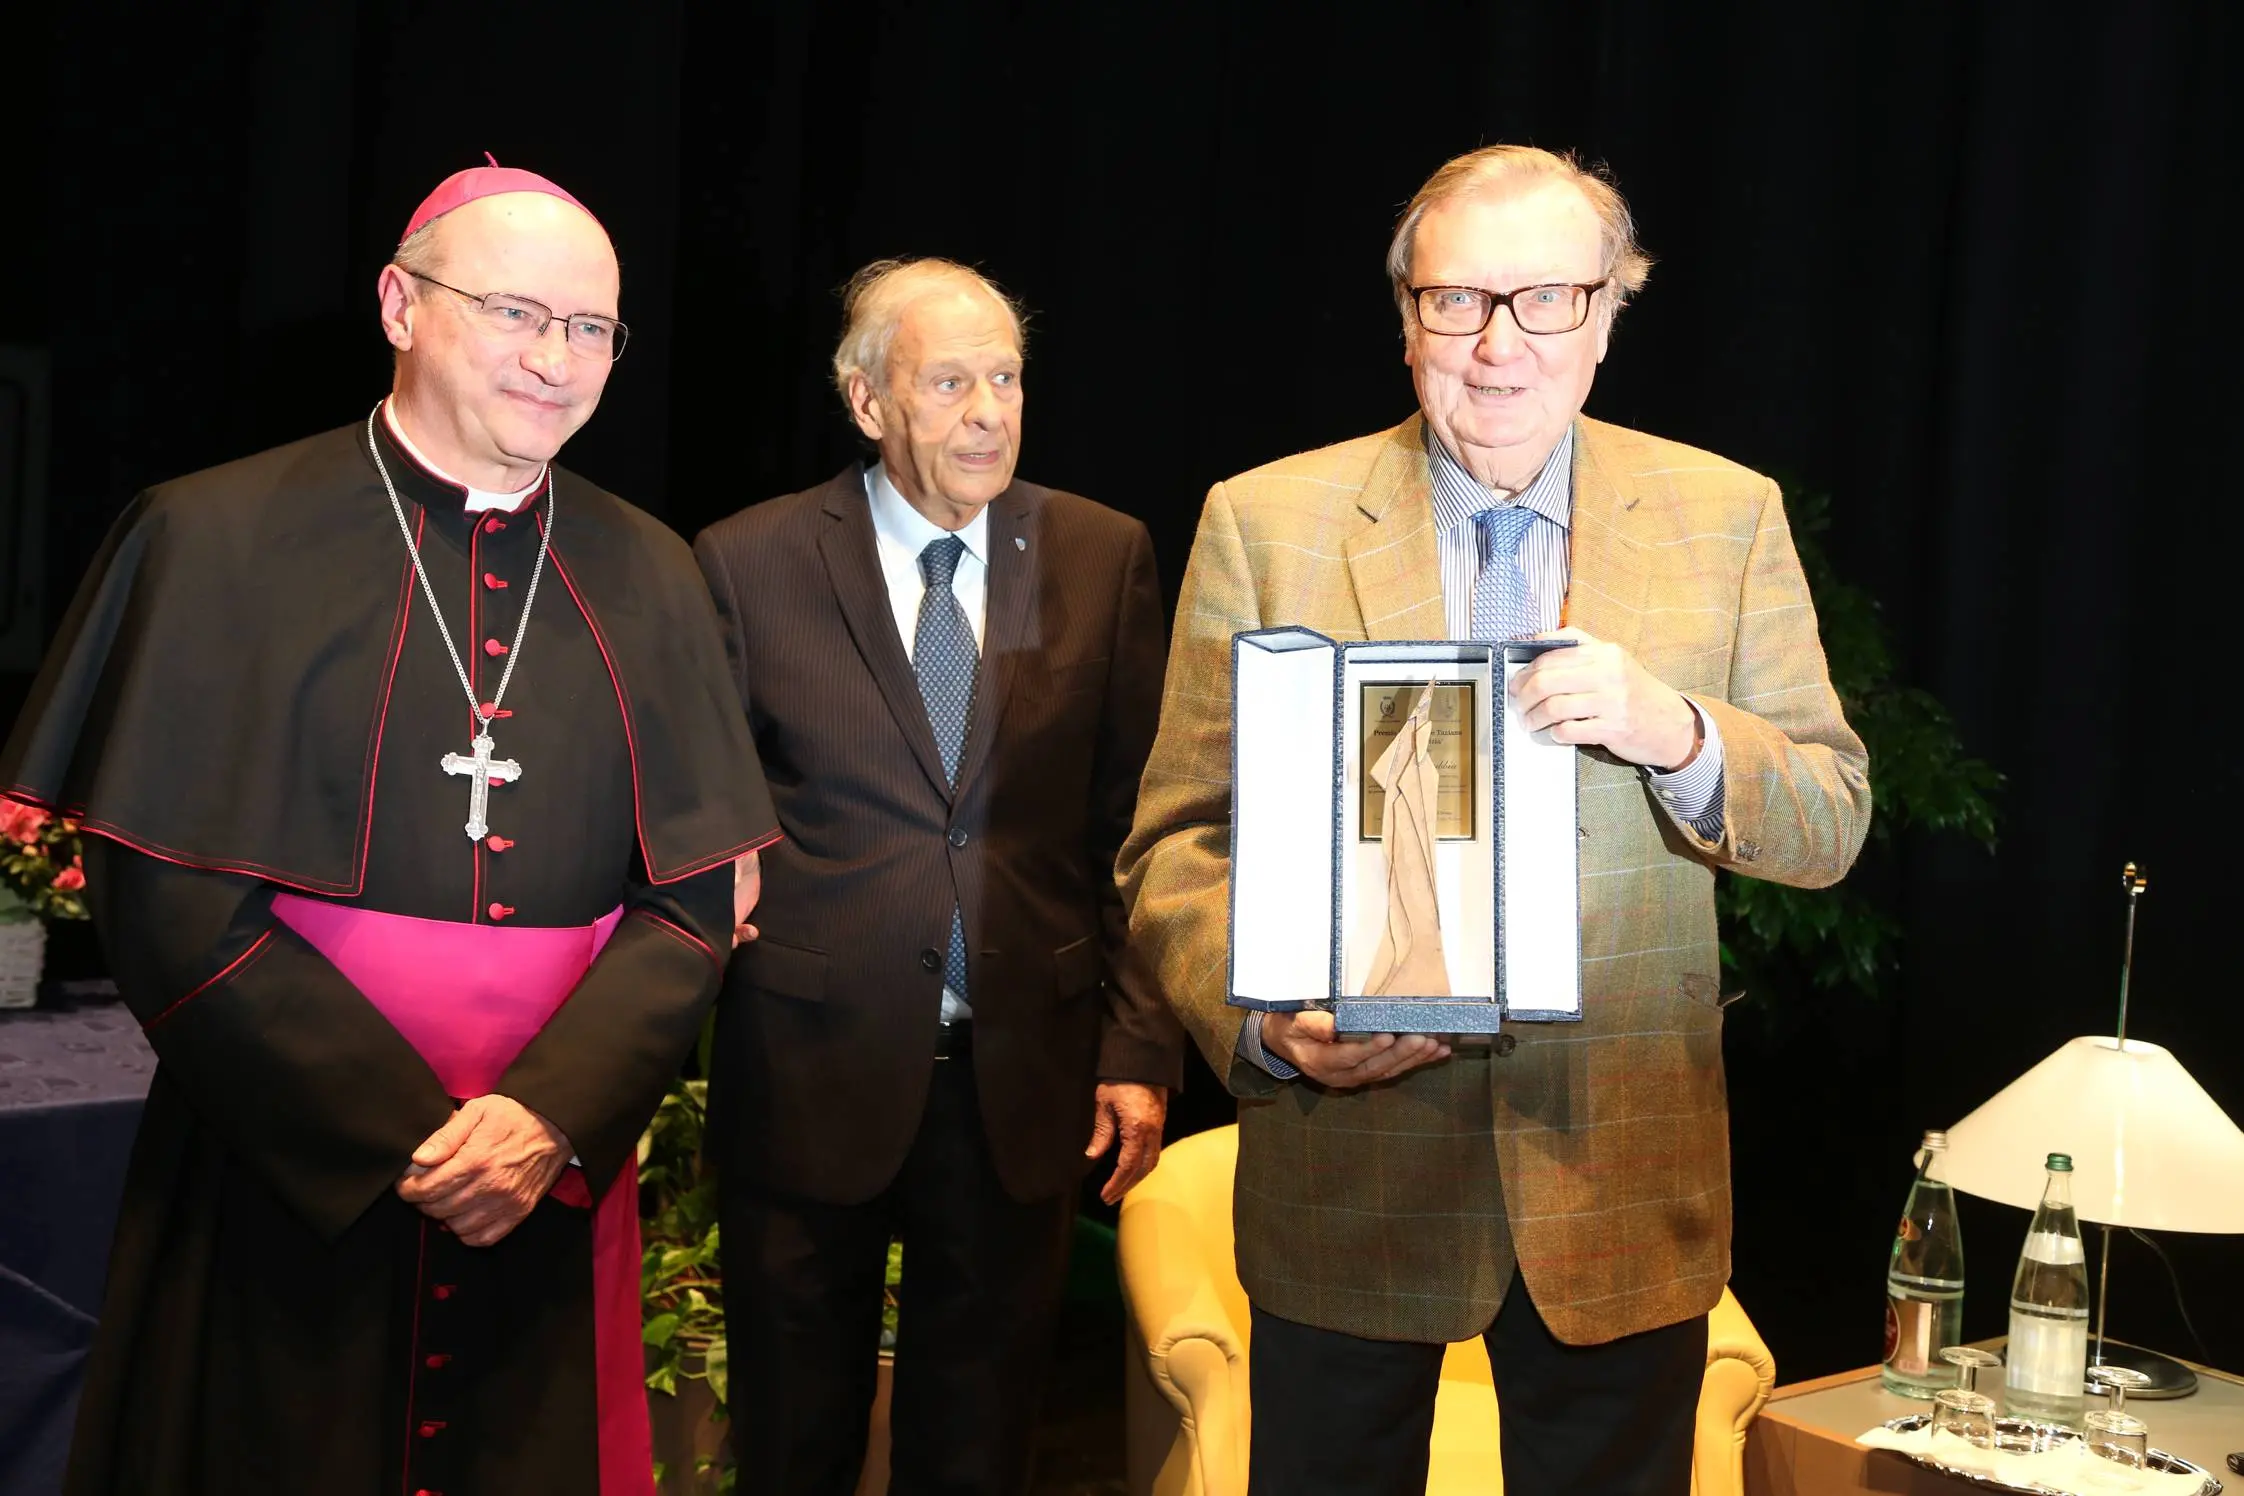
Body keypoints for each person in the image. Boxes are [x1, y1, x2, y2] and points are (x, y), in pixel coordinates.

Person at [0, 159, 778, 1496]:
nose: (558, 358)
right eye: (516, 312)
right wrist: (393, 1133)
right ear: (399, 305)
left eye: (592, 327)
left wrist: (546, 1116)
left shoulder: (651, 565)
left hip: (546, 1168)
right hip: (276, 1163)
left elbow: (697, 898)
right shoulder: (211, 535)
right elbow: (167, 897)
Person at [1117, 145, 1873, 1494]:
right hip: (1347, 1183)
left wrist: (1676, 732)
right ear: (1408, 323)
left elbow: (1828, 815)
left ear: (1606, 318)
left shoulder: (1725, 517)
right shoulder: (1266, 521)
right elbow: (1177, 843)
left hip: (1621, 1180)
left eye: (1547, 301)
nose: (1499, 346)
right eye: (1459, 301)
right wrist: (1263, 1025)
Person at [693, 257, 1183, 1495]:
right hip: (810, 1065)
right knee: (793, 1441)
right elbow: (704, 819)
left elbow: (1139, 820)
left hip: (1021, 1072)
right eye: (951, 380)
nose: (988, 412)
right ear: (867, 401)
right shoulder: (746, 562)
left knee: (979, 1446)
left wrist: (1136, 1047)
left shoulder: (1098, 552)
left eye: (1006, 379)